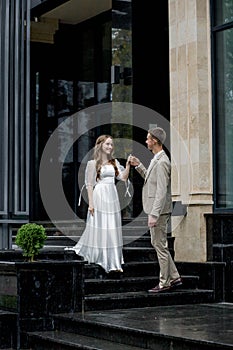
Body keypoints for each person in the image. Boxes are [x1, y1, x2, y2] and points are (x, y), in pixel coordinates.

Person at [66, 135, 131, 273]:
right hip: (99, 195)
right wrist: (91, 203)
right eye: (107, 144)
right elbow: (89, 185)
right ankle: (100, 256)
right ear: (100, 145)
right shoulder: (92, 163)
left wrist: (128, 165)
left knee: (111, 226)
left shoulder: (114, 162)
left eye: (111, 144)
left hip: (112, 196)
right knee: (100, 225)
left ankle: (113, 262)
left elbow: (123, 177)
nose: (110, 147)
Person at [129, 127, 182, 293]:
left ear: (155, 141)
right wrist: (139, 166)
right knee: (158, 243)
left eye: (148, 139)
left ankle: (164, 282)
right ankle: (174, 276)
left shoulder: (163, 162)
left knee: (159, 245)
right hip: (156, 210)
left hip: (158, 211)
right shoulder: (156, 159)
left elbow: (161, 191)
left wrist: (154, 214)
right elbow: (150, 180)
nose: (146, 141)